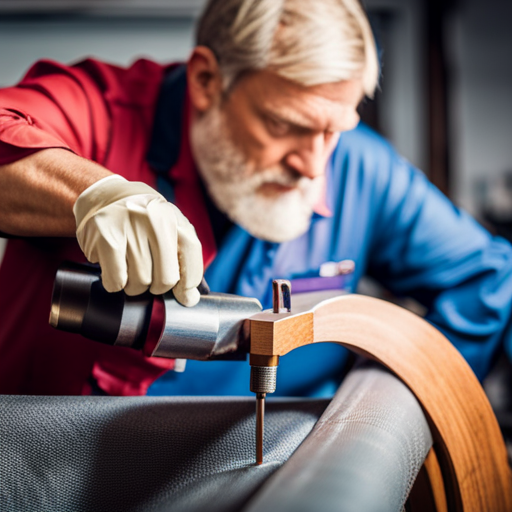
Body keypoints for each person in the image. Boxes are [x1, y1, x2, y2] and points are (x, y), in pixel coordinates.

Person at [0, 0, 511, 397]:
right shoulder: (104, 114)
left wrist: (397, 405)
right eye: (284, 124)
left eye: (333, 131)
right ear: (206, 80)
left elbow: (491, 277)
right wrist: (90, 194)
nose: (314, 166)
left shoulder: (357, 167)